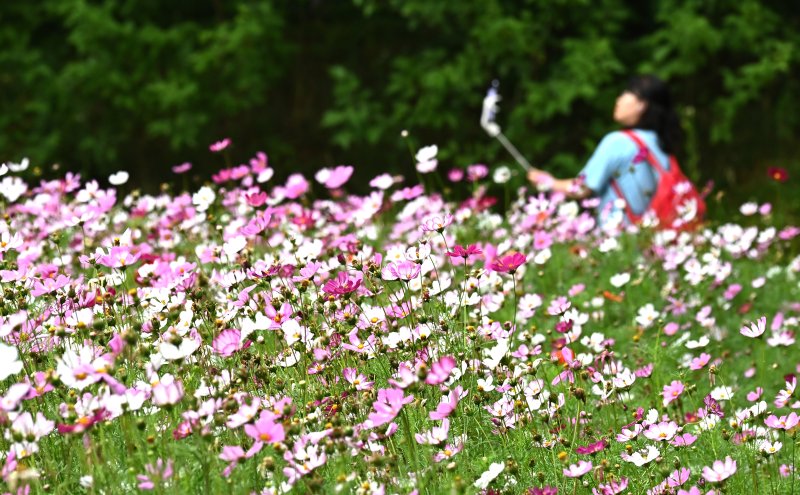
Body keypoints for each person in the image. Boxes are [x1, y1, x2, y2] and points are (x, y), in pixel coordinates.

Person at [527, 75, 683, 226]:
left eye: (625, 93)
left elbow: (581, 188)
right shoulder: (660, 145)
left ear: (642, 104)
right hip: (653, 242)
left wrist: (548, 182)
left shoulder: (618, 142)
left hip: (619, 241)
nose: (618, 100)